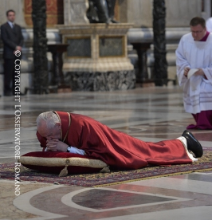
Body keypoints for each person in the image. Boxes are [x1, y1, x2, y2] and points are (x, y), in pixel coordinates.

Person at [36, 111, 203, 171]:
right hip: (107, 143)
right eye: (45, 136)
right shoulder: (46, 128)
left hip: (114, 144)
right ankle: (182, 141)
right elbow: (46, 146)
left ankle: (183, 142)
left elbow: (100, 152)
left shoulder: (83, 126)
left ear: (58, 125)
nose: (47, 139)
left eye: (50, 136)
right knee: (147, 150)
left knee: (146, 152)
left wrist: (67, 148)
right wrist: (50, 146)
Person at [176, 16, 212, 129]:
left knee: (204, 91)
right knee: (194, 93)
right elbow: (180, 57)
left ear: (205, 29)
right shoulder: (185, 39)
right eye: (193, 31)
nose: (195, 35)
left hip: (208, 80)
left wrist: (205, 72)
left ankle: (205, 124)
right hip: (192, 79)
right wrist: (185, 69)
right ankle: (201, 123)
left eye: (198, 32)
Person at [1, 10, 24, 96]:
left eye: (13, 15)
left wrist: (19, 47)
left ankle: (16, 90)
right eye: (10, 15)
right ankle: (7, 90)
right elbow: (5, 39)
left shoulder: (18, 27)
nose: (12, 17)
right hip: (9, 53)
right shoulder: (4, 27)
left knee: (16, 73)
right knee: (8, 73)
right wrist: (15, 47)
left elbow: (21, 39)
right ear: (7, 16)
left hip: (17, 53)